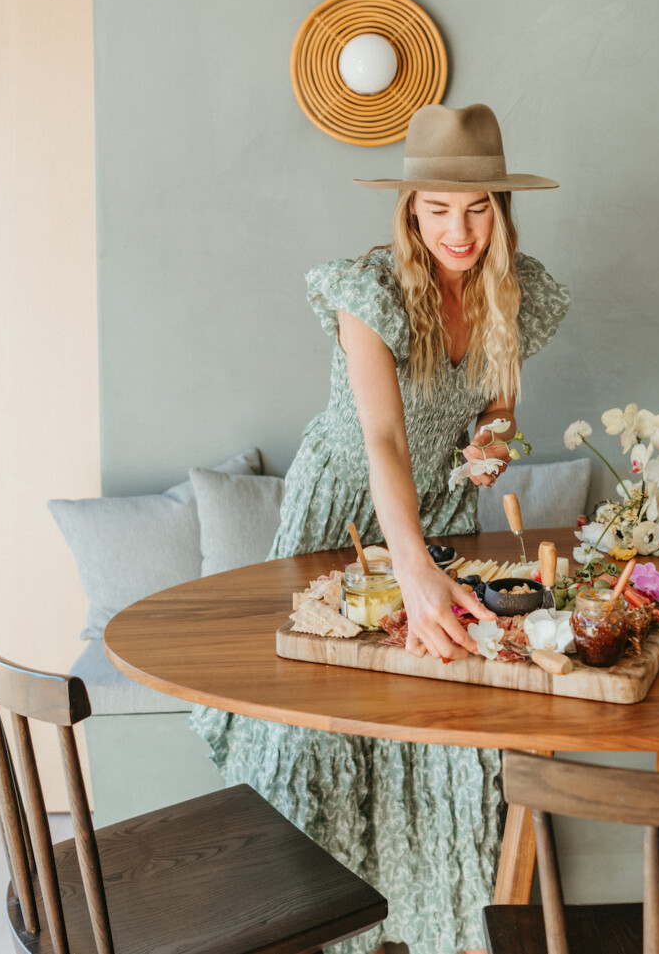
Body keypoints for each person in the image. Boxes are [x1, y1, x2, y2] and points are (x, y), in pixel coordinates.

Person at [189, 102, 569, 954]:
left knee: (436, 714)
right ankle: (307, 928)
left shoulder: (518, 292)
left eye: (475, 210)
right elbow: (383, 438)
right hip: (342, 514)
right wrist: (413, 569)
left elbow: (500, 401)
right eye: (436, 208)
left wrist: (490, 442)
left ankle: (434, 925)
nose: (457, 229)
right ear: (409, 209)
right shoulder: (369, 291)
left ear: (500, 209)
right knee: (319, 717)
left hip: (439, 512)